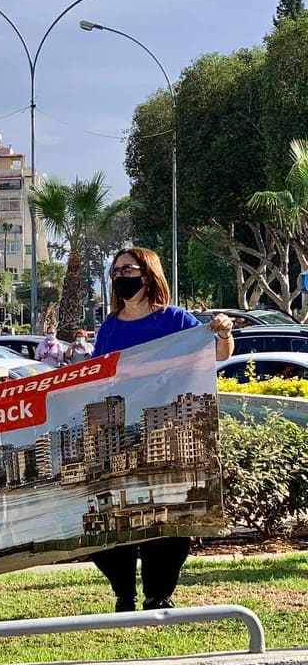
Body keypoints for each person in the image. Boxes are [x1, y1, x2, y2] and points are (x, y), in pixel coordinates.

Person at [88, 246, 233, 613]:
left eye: (129, 269)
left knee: (168, 520)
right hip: (117, 440)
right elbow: (95, 380)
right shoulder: (109, 328)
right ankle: (124, 593)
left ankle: (158, 594)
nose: (122, 277)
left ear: (148, 273)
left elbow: (218, 354)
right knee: (111, 520)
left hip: (167, 434)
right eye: (116, 271)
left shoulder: (175, 320)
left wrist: (224, 332)